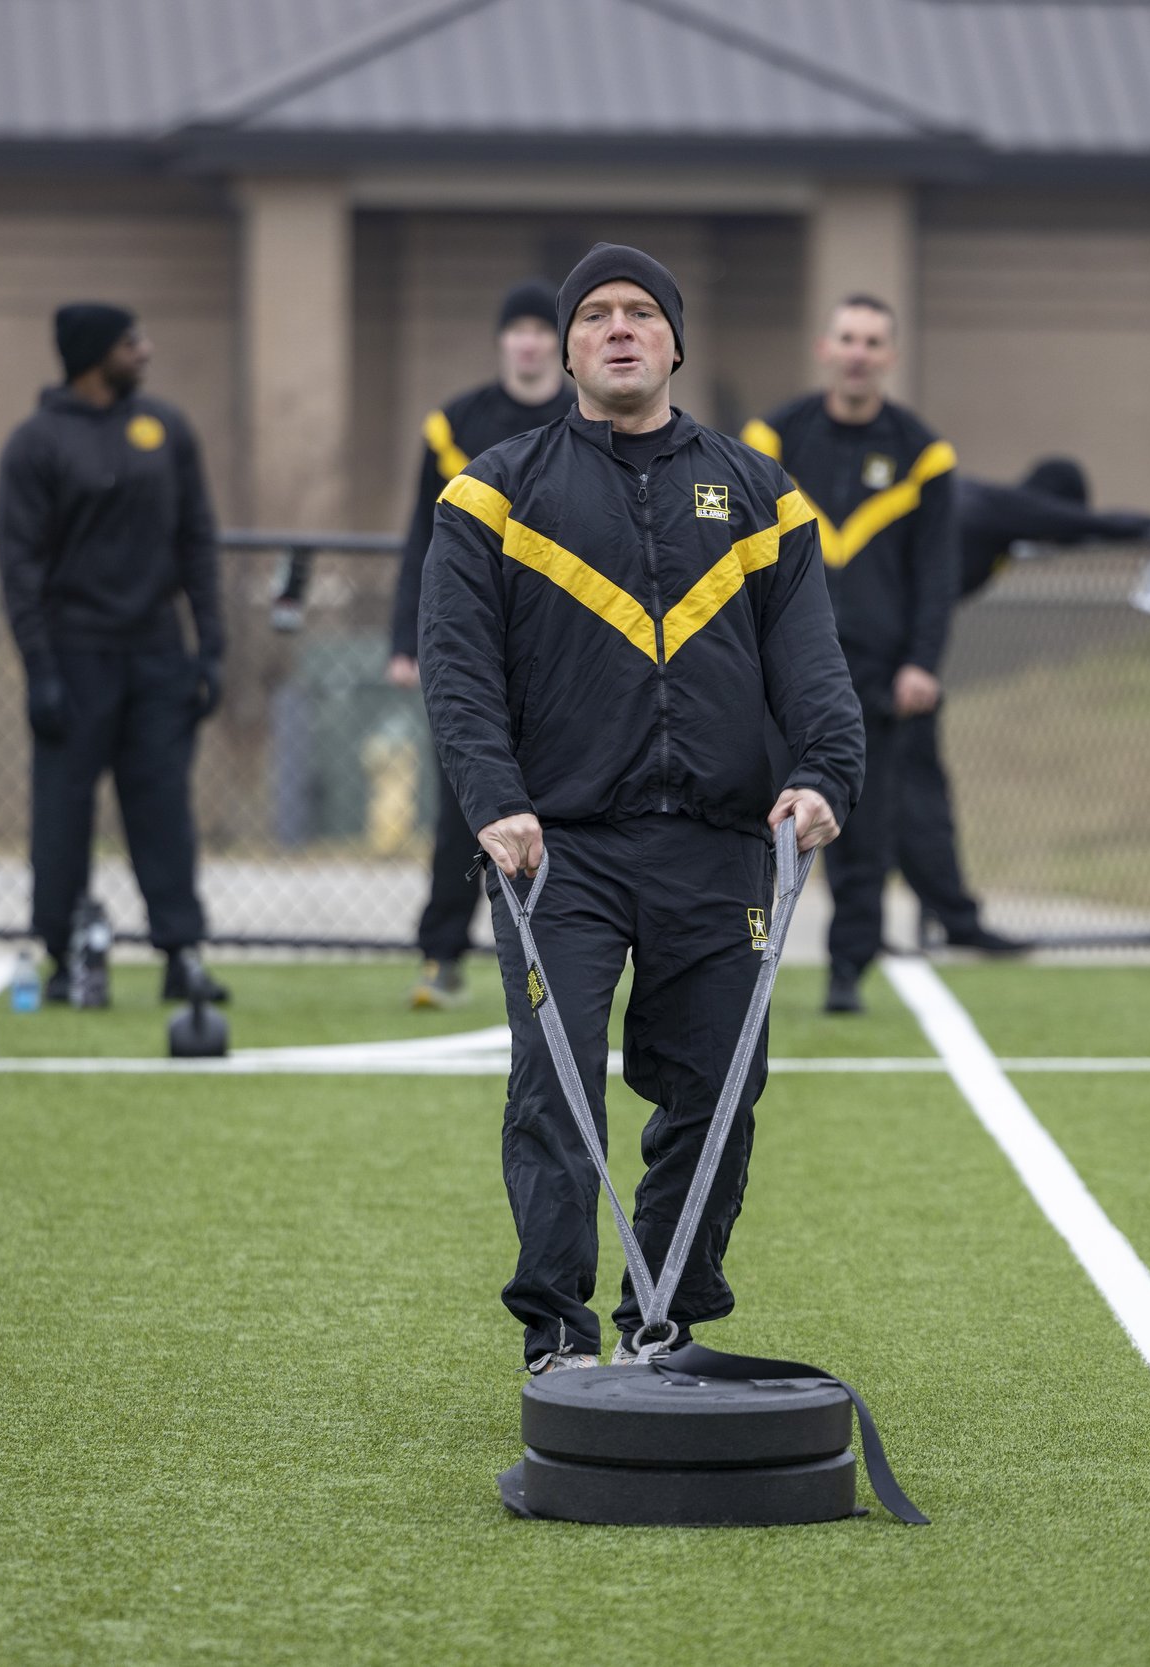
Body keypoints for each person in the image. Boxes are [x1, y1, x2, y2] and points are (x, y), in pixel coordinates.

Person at [421, 243, 864, 1373]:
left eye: (640, 314)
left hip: (719, 850)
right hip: (553, 849)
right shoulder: (491, 492)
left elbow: (812, 664)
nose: (619, 329)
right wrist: (495, 801)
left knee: (718, 1092)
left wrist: (823, 771)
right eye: (596, 316)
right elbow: (458, 669)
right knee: (556, 1087)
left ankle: (663, 1315)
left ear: (674, 341)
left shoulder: (761, 492)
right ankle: (559, 1335)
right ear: (567, 348)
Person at [0, 302, 228, 1005]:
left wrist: (211, 649)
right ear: (97, 354)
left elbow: (197, 542)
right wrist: (39, 670)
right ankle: (64, 953)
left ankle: (181, 953)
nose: (146, 351)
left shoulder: (166, 430)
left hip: (157, 654)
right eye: (133, 342)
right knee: (63, 813)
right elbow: (20, 567)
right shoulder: (36, 444)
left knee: (162, 808)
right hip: (75, 657)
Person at [743, 296, 957, 1014]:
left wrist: (923, 660)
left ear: (890, 356)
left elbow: (936, 571)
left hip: (872, 674)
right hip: (771, 672)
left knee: (865, 838)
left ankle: (847, 975)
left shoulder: (922, 454)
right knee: (749, 826)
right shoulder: (770, 439)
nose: (859, 352)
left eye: (873, 341)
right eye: (847, 338)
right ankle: (737, 968)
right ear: (824, 347)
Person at [898, 458, 1150, 953]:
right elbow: (1085, 526)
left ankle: (916, 924)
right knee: (912, 795)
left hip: (888, 659)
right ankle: (952, 924)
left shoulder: (983, 512)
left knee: (892, 793)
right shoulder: (995, 507)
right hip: (881, 665)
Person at [388, 279, 569, 1009]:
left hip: (561, 646)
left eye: (540, 330)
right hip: (470, 642)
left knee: (566, 805)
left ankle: (559, 955)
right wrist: (409, 638)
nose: (528, 342)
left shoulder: (583, 418)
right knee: (462, 806)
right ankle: (440, 953)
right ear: (501, 340)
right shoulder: (456, 423)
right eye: (517, 329)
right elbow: (419, 540)